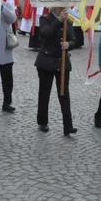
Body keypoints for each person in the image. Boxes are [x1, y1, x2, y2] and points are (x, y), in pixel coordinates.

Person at [34, 7, 78, 136]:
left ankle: (68, 126)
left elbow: (75, 40)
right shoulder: (45, 19)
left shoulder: (68, 22)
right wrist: (59, 20)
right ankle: (42, 121)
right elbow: (45, 34)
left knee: (64, 94)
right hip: (46, 61)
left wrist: (69, 44)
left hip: (62, 62)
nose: (64, 8)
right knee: (44, 92)